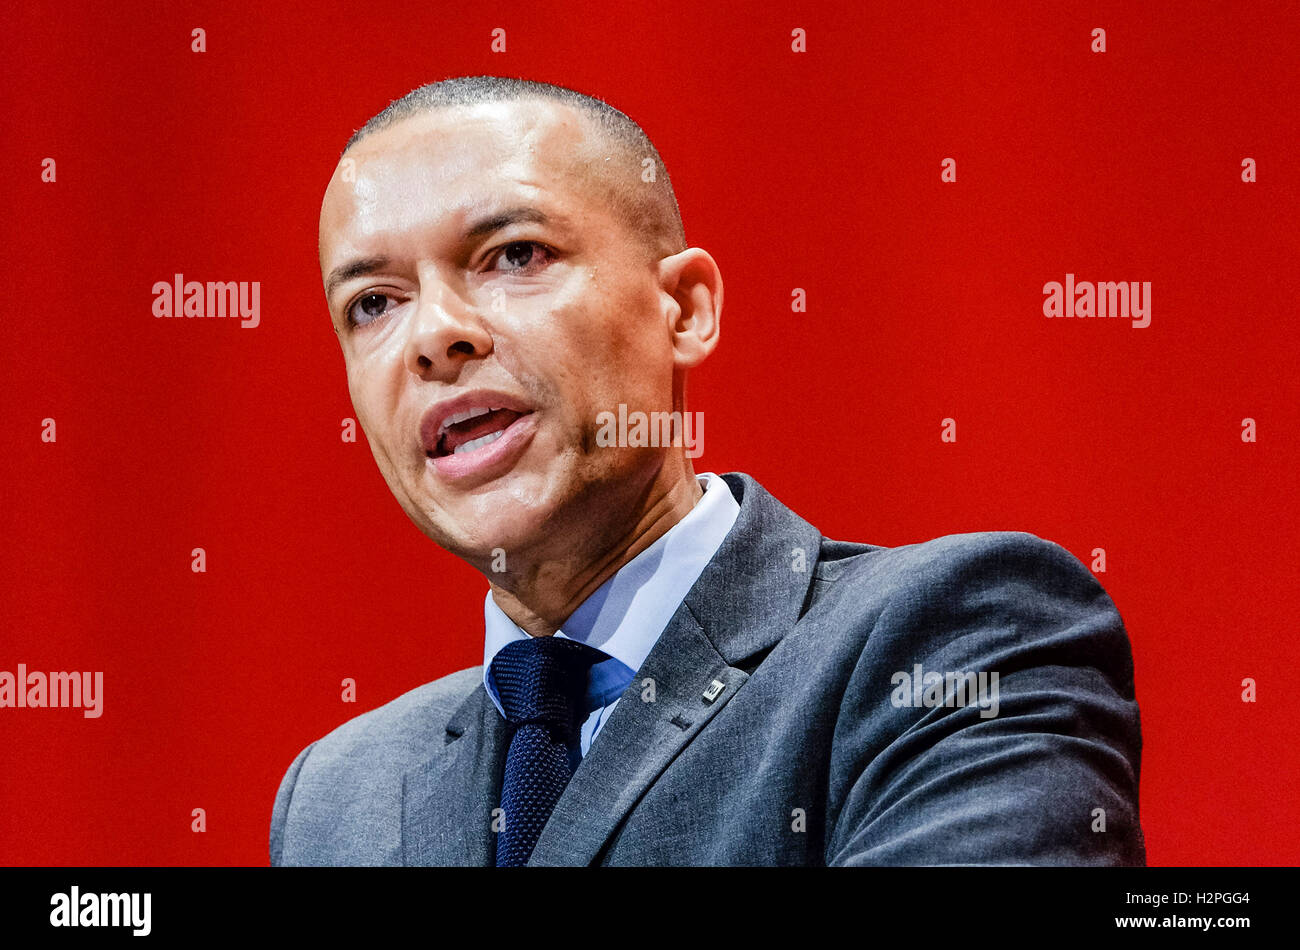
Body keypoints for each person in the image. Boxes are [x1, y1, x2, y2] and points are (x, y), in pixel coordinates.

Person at [270, 75, 1145, 866]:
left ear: (683, 310)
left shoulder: (950, 639)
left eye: (515, 255)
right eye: (372, 303)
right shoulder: (337, 800)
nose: (433, 336)